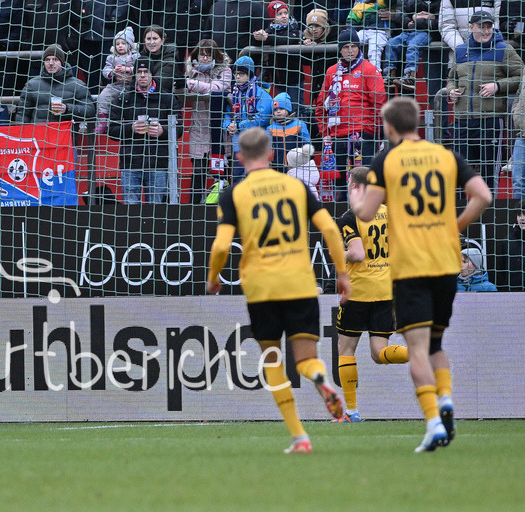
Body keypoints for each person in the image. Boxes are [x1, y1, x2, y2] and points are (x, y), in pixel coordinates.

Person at [350, 96, 492, 452]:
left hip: (411, 267)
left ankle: (433, 421)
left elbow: (366, 214)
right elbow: (483, 196)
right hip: (446, 263)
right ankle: (446, 401)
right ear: (417, 123)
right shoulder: (445, 155)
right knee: (437, 344)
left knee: (417, 348)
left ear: (390, 127)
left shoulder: (386, 160)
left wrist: (356, 198)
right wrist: (454, 227)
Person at [206, 127, 350, 454]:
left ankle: (299, 436)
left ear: (240, 158)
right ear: (271, 154)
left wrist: (214, 277)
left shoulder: (233, 195)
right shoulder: (295, 185)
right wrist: (342, 273)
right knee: (305, 359)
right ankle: (319, 378)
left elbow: (220, 245)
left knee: (272, 358)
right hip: (299, 281)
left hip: (261, 286)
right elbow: (329, 227)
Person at [333, 166, 410, 423]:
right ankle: (420, 353)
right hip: (386, 291)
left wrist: (337, 255)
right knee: (379, 353)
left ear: (355, 187)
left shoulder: (350, 217)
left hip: (359, 291)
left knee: (346, 349)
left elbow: (356, 253)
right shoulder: (390, 213)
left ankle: (352, 412)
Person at [446, 10, 524, 193]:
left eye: (489, 27)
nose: (486, 31)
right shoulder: (460, 51)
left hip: (490, 121)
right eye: (482, 27)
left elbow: (522, 77)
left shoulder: (504, 50)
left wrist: (498, 85)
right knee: (458, 176)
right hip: (462, 121)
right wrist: (451, 91)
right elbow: (451, 78)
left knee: (490, 176)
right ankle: (461, 217)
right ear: (471, 27)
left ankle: (489, 219)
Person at [315, 27, 387, 202]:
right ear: (340, 49)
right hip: (338, 134)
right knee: (340, 183)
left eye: (353, 46)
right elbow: (320, 106)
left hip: (364, 133)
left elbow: (380, 102)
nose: (350, 50)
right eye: (346, 46)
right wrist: (325, 133)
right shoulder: (332, 72)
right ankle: (342, 216)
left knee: (364, 180)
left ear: (359, 48)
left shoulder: (369, 69)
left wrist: (378, 134)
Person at [107, 61, 179, 204]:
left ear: (152, 74)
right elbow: (111, 130)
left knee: (156, 209)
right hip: (130, 163)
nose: (142, 75)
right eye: (139, 72)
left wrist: (162, 130)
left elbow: (180, 129)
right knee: (131, 210)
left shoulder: (167, 98)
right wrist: (131, 128)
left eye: (146, 72)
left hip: (158, 163)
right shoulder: (123, 99)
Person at [180, 39, 232, 200]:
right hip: (199, 129)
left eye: (208, 55)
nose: (205, 58)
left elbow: (217, 89)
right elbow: (183, 92)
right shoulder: (191, 71)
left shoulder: (226, 70)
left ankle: (227, 207)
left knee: (224, 173)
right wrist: (185, 84)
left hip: (221, 130)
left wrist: (191, 84)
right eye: (202, 55)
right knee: (198, 173)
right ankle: (193, 210)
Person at [15, 44, 96, 124]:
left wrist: (67, 109)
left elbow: (90, 111)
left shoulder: (78, 85)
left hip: (65, 135)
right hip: (38, 134)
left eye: (55, 59)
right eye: (47, 59)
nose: (51, 63)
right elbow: (22, 115)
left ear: (62, 62)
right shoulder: (32, 85)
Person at [224, 55, 274, 182]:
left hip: (256, 141)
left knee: (255, 176)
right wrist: (227, 125)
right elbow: (227, 113)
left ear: (250, 74)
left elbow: (262, 118)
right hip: (238, 141)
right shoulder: (233, 93)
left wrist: (239, 126)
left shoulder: (261, 93)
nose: (238, 76)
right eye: (236, 73)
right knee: (237, 175)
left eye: (241, 73)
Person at [252, 1, 307, 110]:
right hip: (278, 79)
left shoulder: (293, 29)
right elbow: (257, 43)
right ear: (273, 17)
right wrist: (258, 37)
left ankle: (301, 126)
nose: (284, 16)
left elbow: (290, 39)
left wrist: (268, 38)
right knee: (282, 108)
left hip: (294, 79)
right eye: (279, 14)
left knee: (296, 108)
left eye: (285, 13)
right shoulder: (269, 30)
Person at [382, 0, 441, 91]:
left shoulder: (438, 3)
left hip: (425, 33)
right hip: (409, 31)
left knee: (413, 46)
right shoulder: (412, 2)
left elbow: (438, 19)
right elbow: (404, 12)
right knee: (391, 44)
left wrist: (425, 18)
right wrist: (408, 21)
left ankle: (410, 76)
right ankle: (390, 74)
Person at [96, 27, 138, 134]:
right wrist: (113, 72)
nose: (120, 46)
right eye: (117, 43)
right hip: (116, 84)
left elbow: (140, 68)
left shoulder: (134, 56)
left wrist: (128, 69)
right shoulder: (111, 58)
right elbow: (105, 70)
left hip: (131, 85)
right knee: (103, 96)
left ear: (129, 45)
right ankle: (103, 120)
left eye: (123, 43)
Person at [266, 92, 311, 170]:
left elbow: (306, 142)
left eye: (281, 109)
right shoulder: (270, 129)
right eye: (275, 110)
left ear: (288, 109)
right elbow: (267, 147)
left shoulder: (299, 125)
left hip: (297, 165)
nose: (278, 111)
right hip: (277, 166)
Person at [301, 8, 336, 108]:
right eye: (311, 26)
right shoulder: (305, 36)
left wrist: (320, 45)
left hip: (335, 83)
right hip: (318, 85)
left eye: (317, 26)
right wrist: (306, 48)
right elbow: (305, 62)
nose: (314, 29)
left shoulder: (336, 34)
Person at [346, 0, 392, 70]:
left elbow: (392, 2)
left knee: (374, 49)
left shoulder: (381, 2)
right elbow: (352, 20)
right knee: (351, 40)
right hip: (365, 31)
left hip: (381, 32)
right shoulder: (360, 4)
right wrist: (350, 33)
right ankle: (347, 70)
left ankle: (376, 72)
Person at [136, 25, 177, 93]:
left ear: (163, 40)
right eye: (149, 39)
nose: (151, 42)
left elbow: (161, 83)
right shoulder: (140, 57)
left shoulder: (170, 59)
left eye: (155, 38)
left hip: (161, 98)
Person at [511, 71, 525, 200]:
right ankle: (520, 217)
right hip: (522, 134)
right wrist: (515, 112)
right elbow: (519, 92)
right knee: (518, 181)